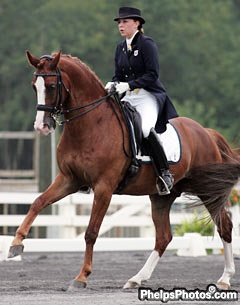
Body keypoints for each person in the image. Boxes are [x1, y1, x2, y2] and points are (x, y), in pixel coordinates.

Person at [105, 7, 179, 195]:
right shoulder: (120, 47)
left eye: (125, 22)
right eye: (119, 22)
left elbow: (152, 75)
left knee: (145, 129)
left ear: (137, 23)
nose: (121, 25)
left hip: (148, 95)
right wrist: (113, 84)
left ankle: (165, 173)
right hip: (129, 96)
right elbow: (118, 75)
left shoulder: (147, 44)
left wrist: (127, 85)